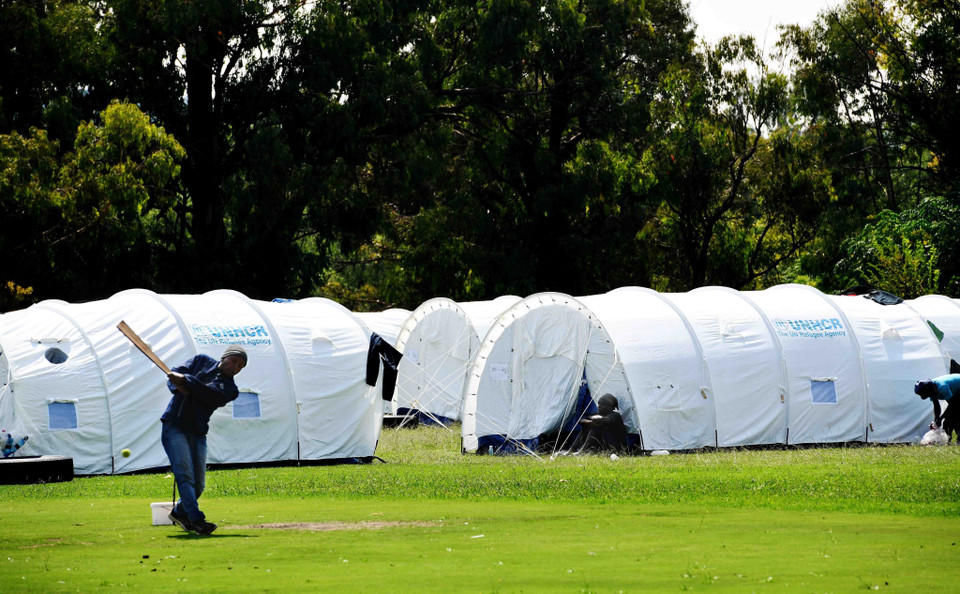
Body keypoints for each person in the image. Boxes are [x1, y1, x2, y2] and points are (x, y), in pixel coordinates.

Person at [161, 345, 247, 535]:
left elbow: (209, 395)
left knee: (198, 484)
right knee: (184, 475)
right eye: (233, 361)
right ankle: (197, 519)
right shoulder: (200, 360)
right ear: (224, 357)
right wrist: (178, 386)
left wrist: (187, 382)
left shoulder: (231, 390)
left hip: (197, 432)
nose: (235, 367)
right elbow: (174, 375)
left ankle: (178, 513)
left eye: (240, 366)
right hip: (174, 425)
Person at [914, 374, 960, 442]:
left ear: (928, 390)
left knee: (955, 418)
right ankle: (948, 441)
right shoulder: (932, 390)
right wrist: (936, 421)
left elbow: (952, 405)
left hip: (957, 391)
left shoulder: (942, 387)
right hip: (956, 393)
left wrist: (941, 418)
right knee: (948, 421)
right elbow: (936, 406)